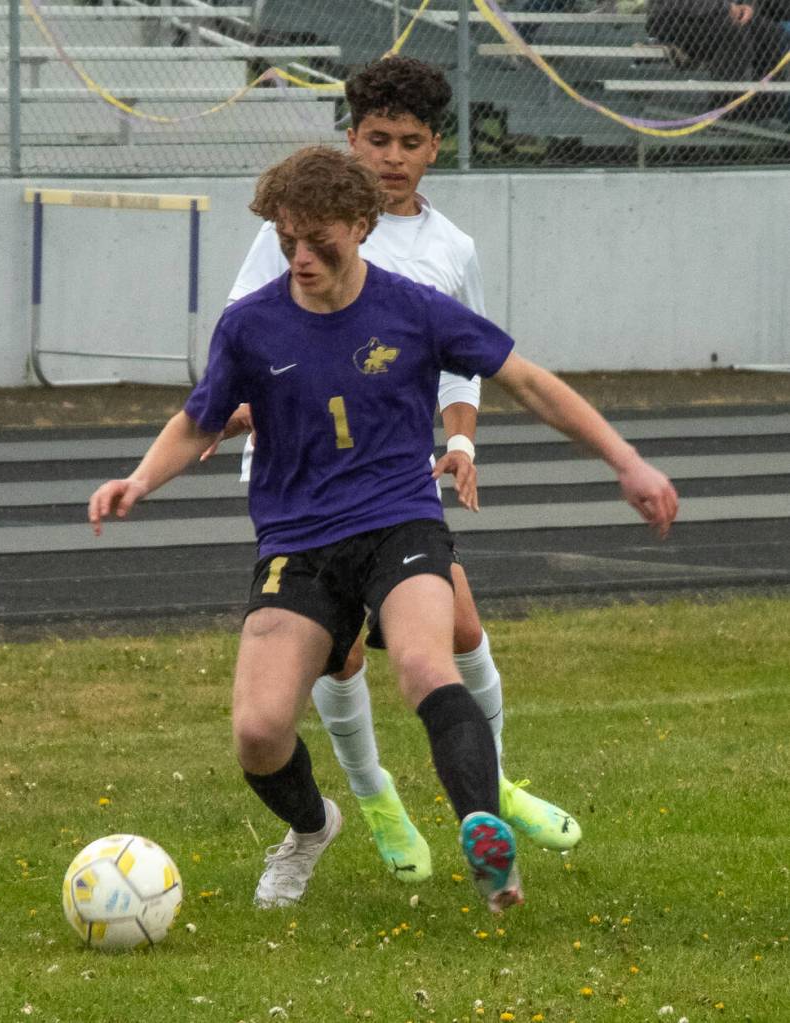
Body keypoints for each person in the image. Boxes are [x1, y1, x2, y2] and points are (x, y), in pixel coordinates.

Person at [88, 146, 679, 916]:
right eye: (285, 239)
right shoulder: (250, 326)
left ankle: (483, 833)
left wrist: (628, 462)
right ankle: (312, 826)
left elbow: (529, 382)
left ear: (363, 226)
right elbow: (196, 419)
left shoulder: (415, 308)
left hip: (398, 519)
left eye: (319, 240)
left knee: (425, 662)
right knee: (259, 731)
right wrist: (137, 478)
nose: (301, 257)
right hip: (297, 542)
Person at [204, 56, 583, 890]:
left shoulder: (450, 249)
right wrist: (233, 411)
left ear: (434, 149)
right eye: (377, 138)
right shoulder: (306, 223)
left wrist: (463, 442)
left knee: (456, 628)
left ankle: (491, 784)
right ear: (353, 138)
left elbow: (463, 363)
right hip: (300, 480)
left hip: (397, 477)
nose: (392, 157)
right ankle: (374, 796)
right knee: (336, 660)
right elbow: (249, 338)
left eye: (410, 142)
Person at [646, 0, 790, 121]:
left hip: (716, 16)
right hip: (674, 17)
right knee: (734, 33)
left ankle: (765, 108)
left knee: (773, 34)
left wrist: (744, 7)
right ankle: (724, 107)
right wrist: (726, 7)